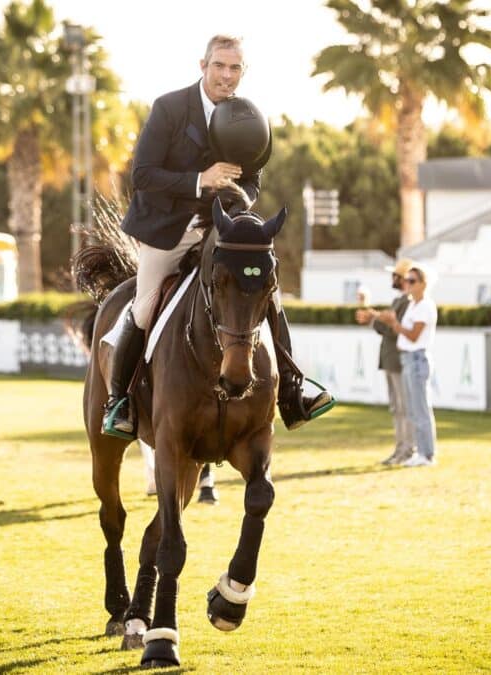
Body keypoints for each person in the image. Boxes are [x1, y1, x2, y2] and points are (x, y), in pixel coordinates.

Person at [102, 34, 333, 440]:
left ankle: (292, 393)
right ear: (203, 65)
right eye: (219, 66)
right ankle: (119, 401)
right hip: (166, 232)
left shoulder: (250, 117)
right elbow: (142, 175)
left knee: (270, 296)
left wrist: (236, 207)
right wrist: (199, 181)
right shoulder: (170, 108)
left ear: (244, 72)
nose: (226, 76)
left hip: (219, 233)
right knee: (143, 307)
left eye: (235, 68)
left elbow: (253, 179)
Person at [355, 259, 415, 465]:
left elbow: (392, 330)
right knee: (397, 408)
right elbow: (387, 327)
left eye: (395, 276)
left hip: (398, 360)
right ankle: (401, 448)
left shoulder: (407, 302)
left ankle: (408, 449)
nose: (392, 279)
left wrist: (374, 318)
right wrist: (374, 318)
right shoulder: (400, 301)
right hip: (391, 360)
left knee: (403, 407)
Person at [378, 265, 438, 467]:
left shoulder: (425, 306)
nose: (407, 284)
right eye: (407, 280)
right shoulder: (413, 305)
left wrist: (394, 323)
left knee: (420, 409)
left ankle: (427, 454)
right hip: (408, 359)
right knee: (412, 409)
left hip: (416, 359)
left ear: (423, 284)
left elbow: (413, 335)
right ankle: (419, 452)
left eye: (412, 281)